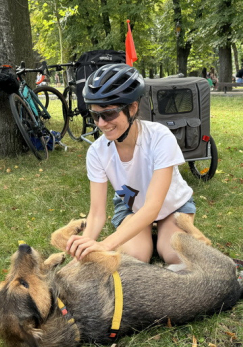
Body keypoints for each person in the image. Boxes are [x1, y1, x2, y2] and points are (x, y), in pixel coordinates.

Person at [66, 64, 196, 266]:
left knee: (175, 255)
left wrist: (106, 244)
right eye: (95, 115)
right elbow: (97, 212)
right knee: (133, 258)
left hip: (171, 206)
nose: (101, 124)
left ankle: (163, 234)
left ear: (132, 108)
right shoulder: (97, 152)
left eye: (108, 114)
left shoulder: (159, 137)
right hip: (132, 208)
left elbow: (153, 206)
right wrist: (86, 247)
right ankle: (150, 237)